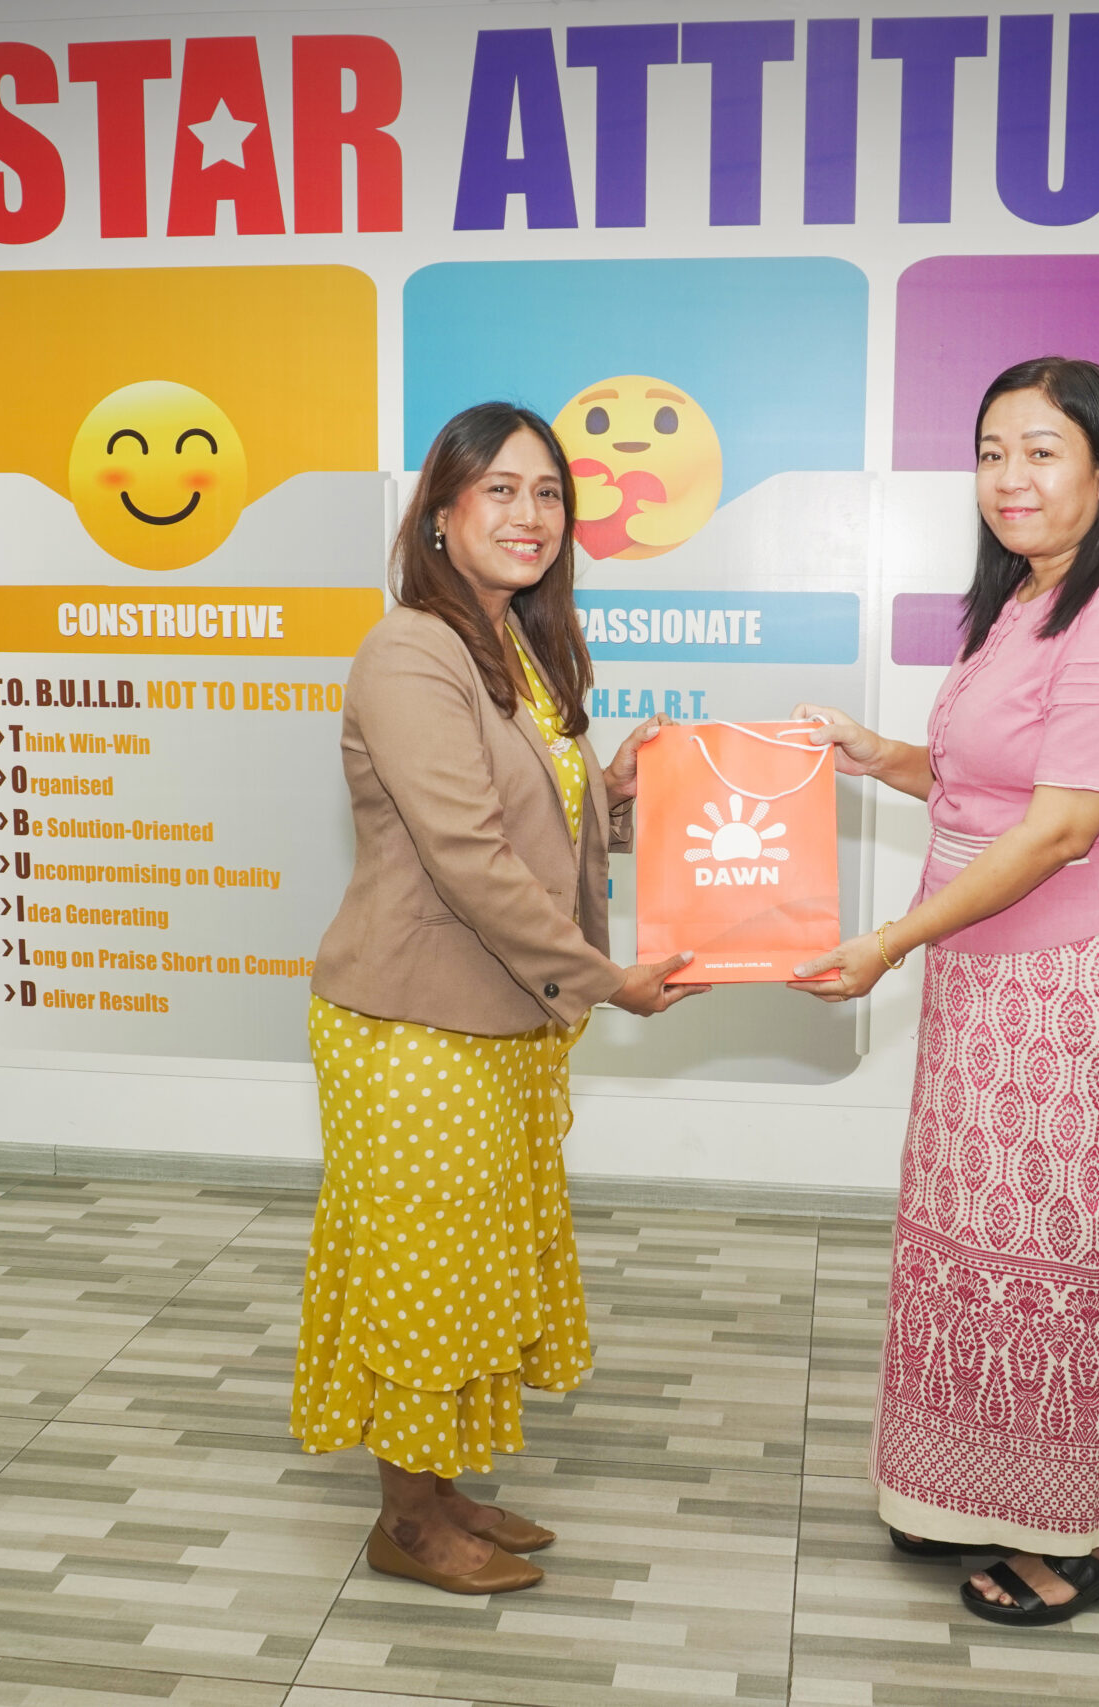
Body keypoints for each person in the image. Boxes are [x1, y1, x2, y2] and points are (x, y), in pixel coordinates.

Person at [791, 358, 1099, 1626]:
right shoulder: (1024, 598)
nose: (1009, 478)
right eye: (989, 452)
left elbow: (1062, 828)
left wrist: (891, 941)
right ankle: (978, 1494)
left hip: (1075, 982)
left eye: (1041, 451)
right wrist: (875, 755)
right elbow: (986, 782)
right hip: (987, 974)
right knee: (978, 1247)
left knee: (1060, 1254)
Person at [295, 401, 705, 1597]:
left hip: (499, 1020)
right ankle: (404, 1524)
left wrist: (612, 791)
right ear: (441, 512)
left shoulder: (514, 641)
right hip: (413, 1026)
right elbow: (468, 856)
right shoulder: (410, 650)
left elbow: (529, 823)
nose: (531, 515)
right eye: (501, 490)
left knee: (468, 1266)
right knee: (421, 1271)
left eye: (548, 494)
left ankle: (437, 1487)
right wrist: (606, 980)